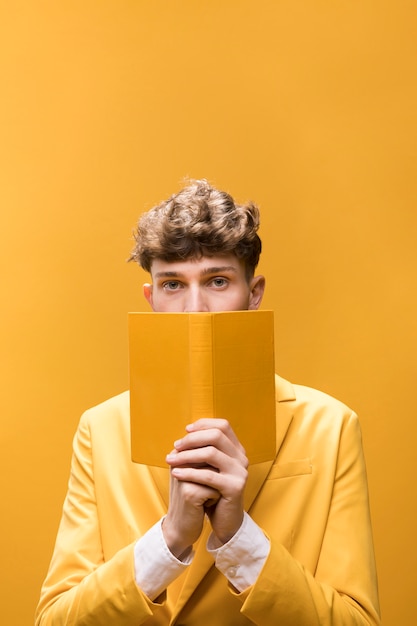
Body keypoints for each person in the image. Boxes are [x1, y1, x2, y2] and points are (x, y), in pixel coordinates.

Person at [35, 179, 380, 625]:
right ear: (151, 299)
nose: (195, 308)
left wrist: (239, 537)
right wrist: (171, 537)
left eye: (217, 280)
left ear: (253, 294)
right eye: (173, 285)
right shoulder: (101, 430)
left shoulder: (331, 427)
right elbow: (55, 620)